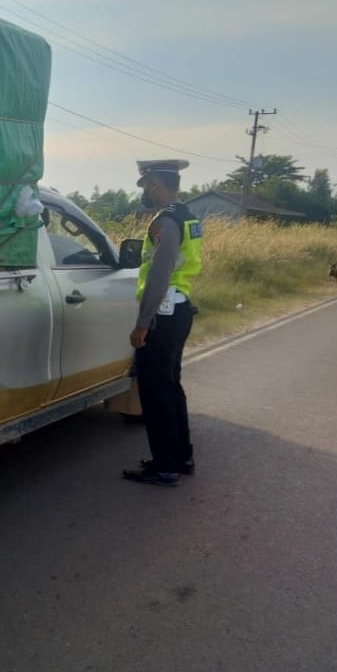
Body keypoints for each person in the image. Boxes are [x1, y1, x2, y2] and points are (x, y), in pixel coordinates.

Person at [122, 159, 203, 486]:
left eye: (144, 185)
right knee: (171, 387)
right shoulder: (187, 215)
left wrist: (143, 323)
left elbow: (159, 273)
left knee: (156, 392)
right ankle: (181, 458)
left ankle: (165, 466)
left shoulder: (165, 221)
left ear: (155, 183)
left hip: (163, 314)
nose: (143, 192)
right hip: (178, 309)